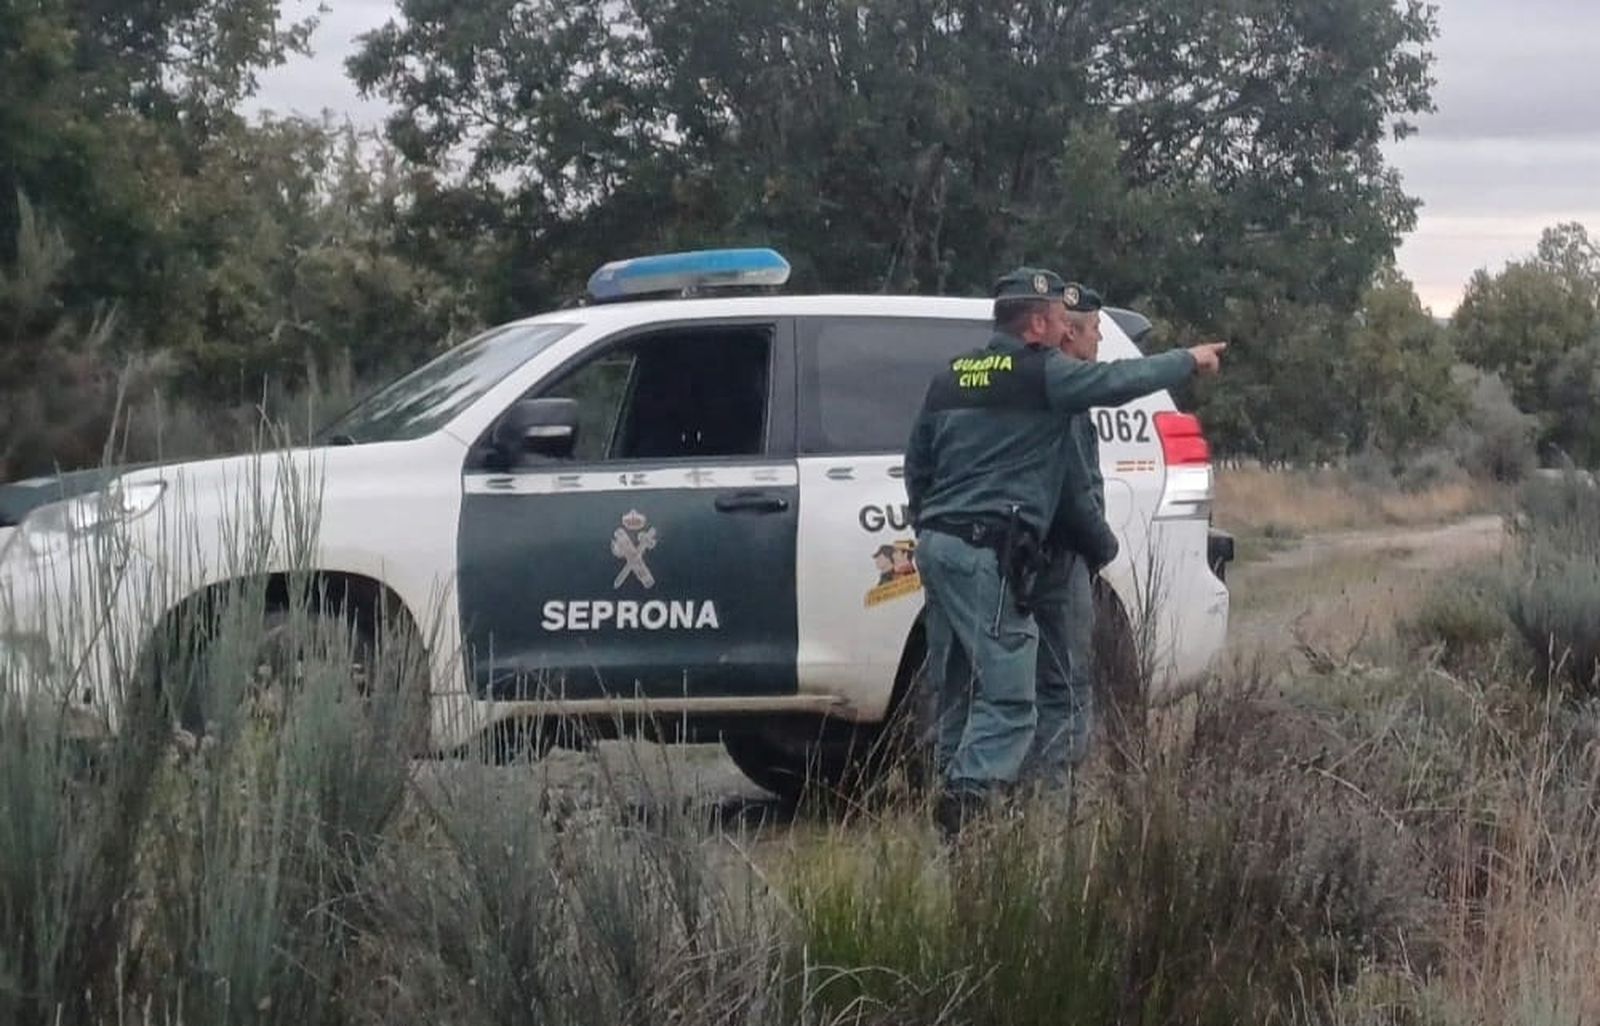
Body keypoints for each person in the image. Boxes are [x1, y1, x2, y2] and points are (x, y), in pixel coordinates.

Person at [905, 267, 1225, 838]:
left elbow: (918, 466)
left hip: (938, 545)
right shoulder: (1041, 376)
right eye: (1057, 318)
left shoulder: (949, 376)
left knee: (955, 686)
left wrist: (932, 524)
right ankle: (969, 801)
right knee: (1011, 698)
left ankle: (953, 811)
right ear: (1037, 323)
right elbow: (1117, 382)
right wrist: (1188, 359)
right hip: (990, 552)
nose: (1065, 329)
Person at [1023, 282, 1119, 793]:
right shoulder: (1066, 400)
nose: (1098, 341)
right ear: (1069, 336)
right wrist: (1102, 547)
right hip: (1062, 559)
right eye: (1094, 331)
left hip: (1026, 555)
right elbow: (1075, 491)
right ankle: (1056, 800)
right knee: (1066, 682)